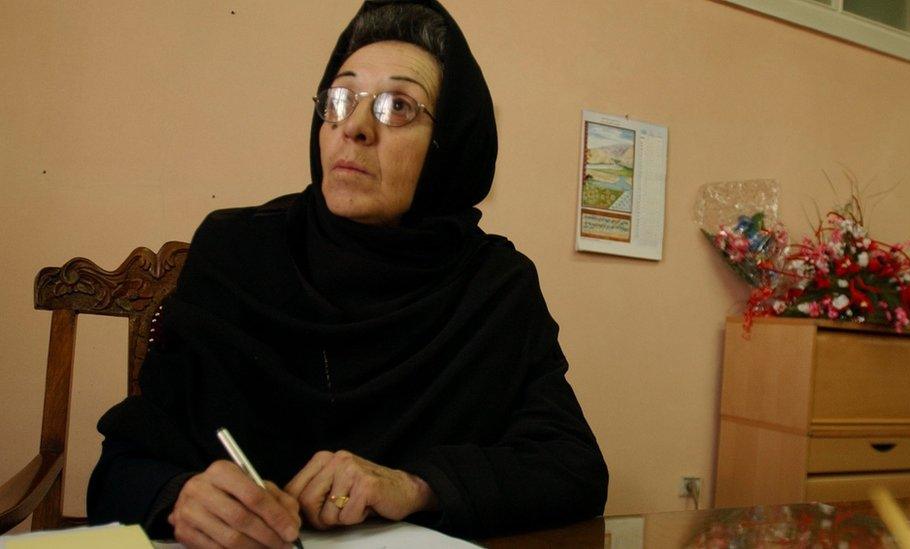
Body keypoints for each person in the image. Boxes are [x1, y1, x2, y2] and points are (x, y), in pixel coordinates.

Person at [87, 1, 608, 547]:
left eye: (398, 107)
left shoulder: (495, 285)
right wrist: (176, 497)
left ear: (449, 144)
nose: (354, 128)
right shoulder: (237, 252)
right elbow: (121, 467)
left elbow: (572, 469)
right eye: (340, 98)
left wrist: (417, 485)